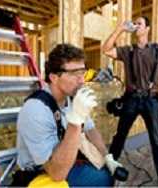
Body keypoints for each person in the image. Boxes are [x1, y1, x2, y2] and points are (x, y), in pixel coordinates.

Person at [16, 43, 124, 187]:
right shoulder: (36, 110)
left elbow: (90, 129)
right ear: (54, 77)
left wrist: (107, 156)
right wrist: (75, 121)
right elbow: (56, 173)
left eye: (83, 72)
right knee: (100, 179)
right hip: (41, 172)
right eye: (74, 74)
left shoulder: (71, 97)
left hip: (64, 159)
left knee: (107, 175)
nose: (82, 80)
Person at [102, 16, 158, 186]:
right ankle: (108, 171)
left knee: (157, 141)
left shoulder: (157, 50)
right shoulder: (128, 51)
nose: (135, 26)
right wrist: (120, 29)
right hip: (131, 100)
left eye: (139, 23)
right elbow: (106, 49)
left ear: (147, 28)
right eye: (134, 23)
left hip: (152, 100)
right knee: (119, 137)